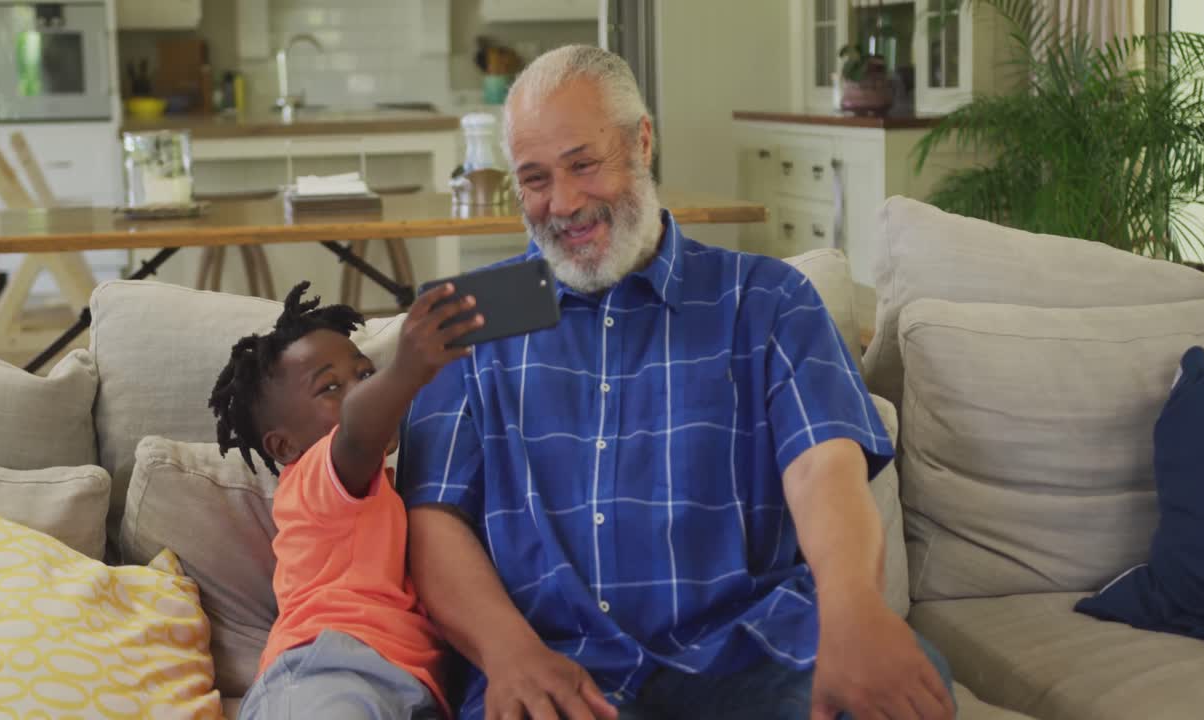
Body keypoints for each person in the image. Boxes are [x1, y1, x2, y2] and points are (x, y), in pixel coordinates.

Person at [398, 44, 956, 720]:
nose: (565, 202)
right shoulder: (469, 320)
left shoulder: (768, 301)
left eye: (583, 164)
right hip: (554, 667)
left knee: (906, 687)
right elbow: (432, 519)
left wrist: (853, 610)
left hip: (753, 655)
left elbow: (824, 473)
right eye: (536, 179)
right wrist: (505, 651)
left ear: (643, 141)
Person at [208, 280, 484, 720]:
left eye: (365, 374)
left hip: (415, 690)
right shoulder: (315, 478)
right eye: (330, 388)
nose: (358, 389)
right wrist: (406, 372)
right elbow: (357, 432)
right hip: (327, 670)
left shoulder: (388, 487)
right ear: (283, 447)